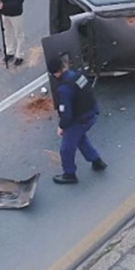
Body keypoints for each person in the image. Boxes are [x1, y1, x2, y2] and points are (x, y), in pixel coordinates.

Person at [48, 56, 107, 184]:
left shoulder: (64, 89)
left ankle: (69, 174)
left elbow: (66, 113)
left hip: (80, 119)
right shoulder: (78, 76)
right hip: (92, 113)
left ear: (55, 73)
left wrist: (62, 126)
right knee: (80, 138)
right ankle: (96, 161)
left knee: (66, 148)